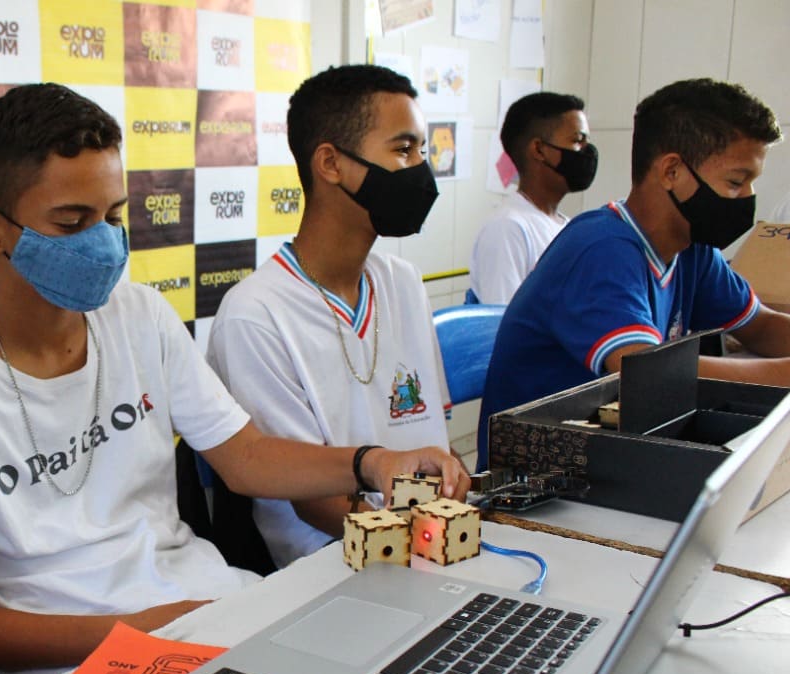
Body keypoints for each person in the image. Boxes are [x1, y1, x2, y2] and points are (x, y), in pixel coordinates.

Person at [0, 83, 468, 674]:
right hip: (78, 668)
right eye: (72, 223)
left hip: (209, 613)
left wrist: (370, 461)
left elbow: (246, 457)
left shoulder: (140, 317)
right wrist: (132, 633)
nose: (104, 243)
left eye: (112, 217)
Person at [205, 64, 468, 569]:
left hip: (428, 548)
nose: (419, 168)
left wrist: (458, 510)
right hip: (334, 563)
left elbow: (439, 446)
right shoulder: (255, 315)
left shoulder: (403, 283)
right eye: (402, 149)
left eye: (420, 152)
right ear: (330, 163)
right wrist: (423, 540)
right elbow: (314, 504)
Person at [477, 78, 790, 464]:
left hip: (614, 454)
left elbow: (760, 325)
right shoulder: (601, 249)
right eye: (736, 182)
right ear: (672, 171)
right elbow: (644, 372)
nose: (747, 199)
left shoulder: (693, 250)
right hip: (539, 476)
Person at [468, 92, 596, 305]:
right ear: (539, 149)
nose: (587, 151)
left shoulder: (567, 226)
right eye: (577, 140)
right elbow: (501, 324)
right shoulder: (507, 229)